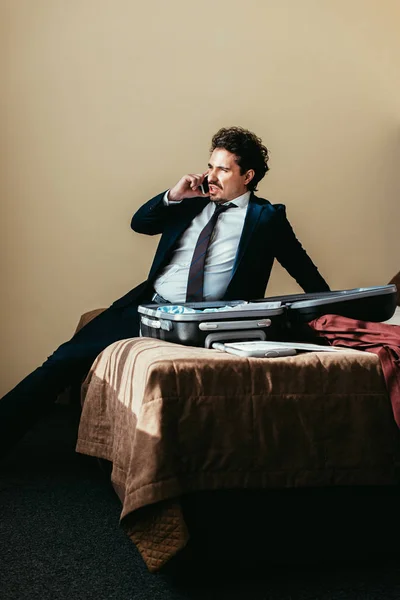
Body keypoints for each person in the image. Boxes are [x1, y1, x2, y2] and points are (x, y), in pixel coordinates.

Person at [0, 126, 329, 457]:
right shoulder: (189, 202)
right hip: (151, 307)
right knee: (63, 360)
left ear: (248, 176)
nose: (211, 175)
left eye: (223, 169)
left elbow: (302, 268)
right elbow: (140, 223)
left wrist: (335, 311)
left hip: (210, 322)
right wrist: (173, 195)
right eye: (211, 165)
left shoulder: (267, 218)